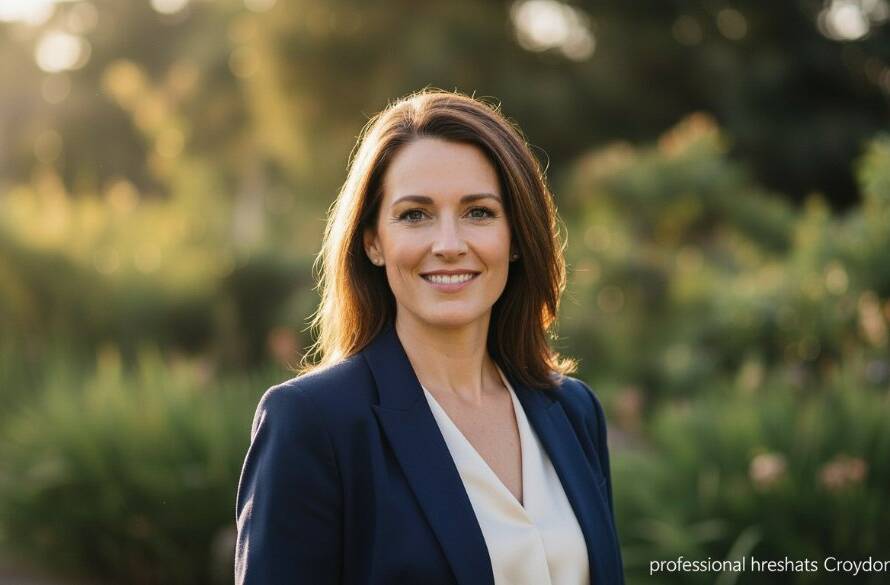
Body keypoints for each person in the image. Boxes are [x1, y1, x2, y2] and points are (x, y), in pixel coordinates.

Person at [234, 88, 625, 585]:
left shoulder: (573, 410)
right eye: (414, 215)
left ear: (516, 237)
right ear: (373, 242)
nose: (448, 245)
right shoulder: (313, 423)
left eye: (478, 212)